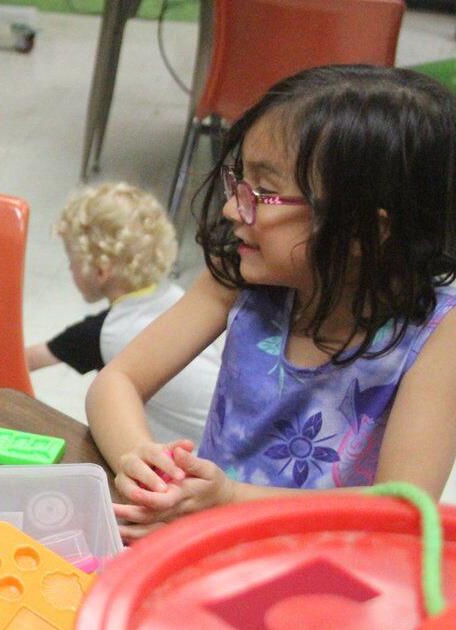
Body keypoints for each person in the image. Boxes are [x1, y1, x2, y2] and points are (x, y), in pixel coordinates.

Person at [86, 65, 456, 541]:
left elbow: (404, 508)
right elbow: (116, 380)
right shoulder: (241, 276)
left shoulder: (437, 333)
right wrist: (144, 467)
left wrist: (231, 501)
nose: (230, 208)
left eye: (263, 192)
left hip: (329, 571)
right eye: (238, 182)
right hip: (210, 546)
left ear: (365, 229)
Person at [27, 182, 220, 443]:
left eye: (71, 260)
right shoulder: (176, 298)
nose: (70, 269)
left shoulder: (104, 334)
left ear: (100, 271)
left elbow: (26, 360)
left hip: (192, 454)